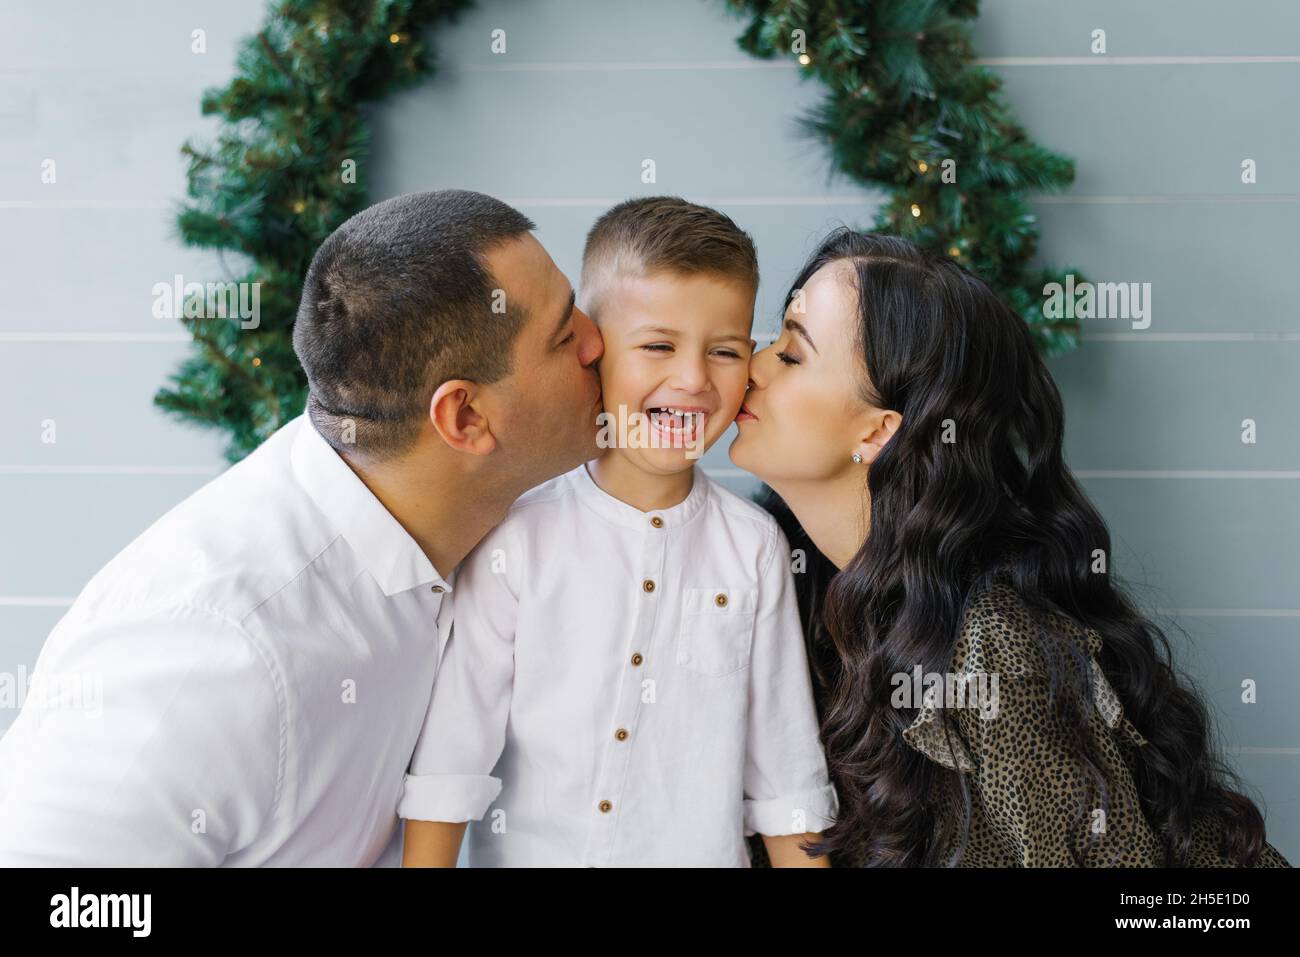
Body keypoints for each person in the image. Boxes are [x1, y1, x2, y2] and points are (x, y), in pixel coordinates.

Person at [0, 190, 604, 866]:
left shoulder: (488, 517)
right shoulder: (211, 648)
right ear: (463, 418)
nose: (597, 341)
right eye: (563, 335)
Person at [729, 228, 1290, 867]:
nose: (752, 364)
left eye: (791, 354)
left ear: (880, 430)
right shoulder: (793, 586)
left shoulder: (991, 644)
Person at [398, 197, 837, 867]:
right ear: (591, 351)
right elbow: (451, 758)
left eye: (723, 351)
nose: (691, 379)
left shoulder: (754, 548)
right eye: (658, 345)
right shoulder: (517, 535)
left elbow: (786, 778)